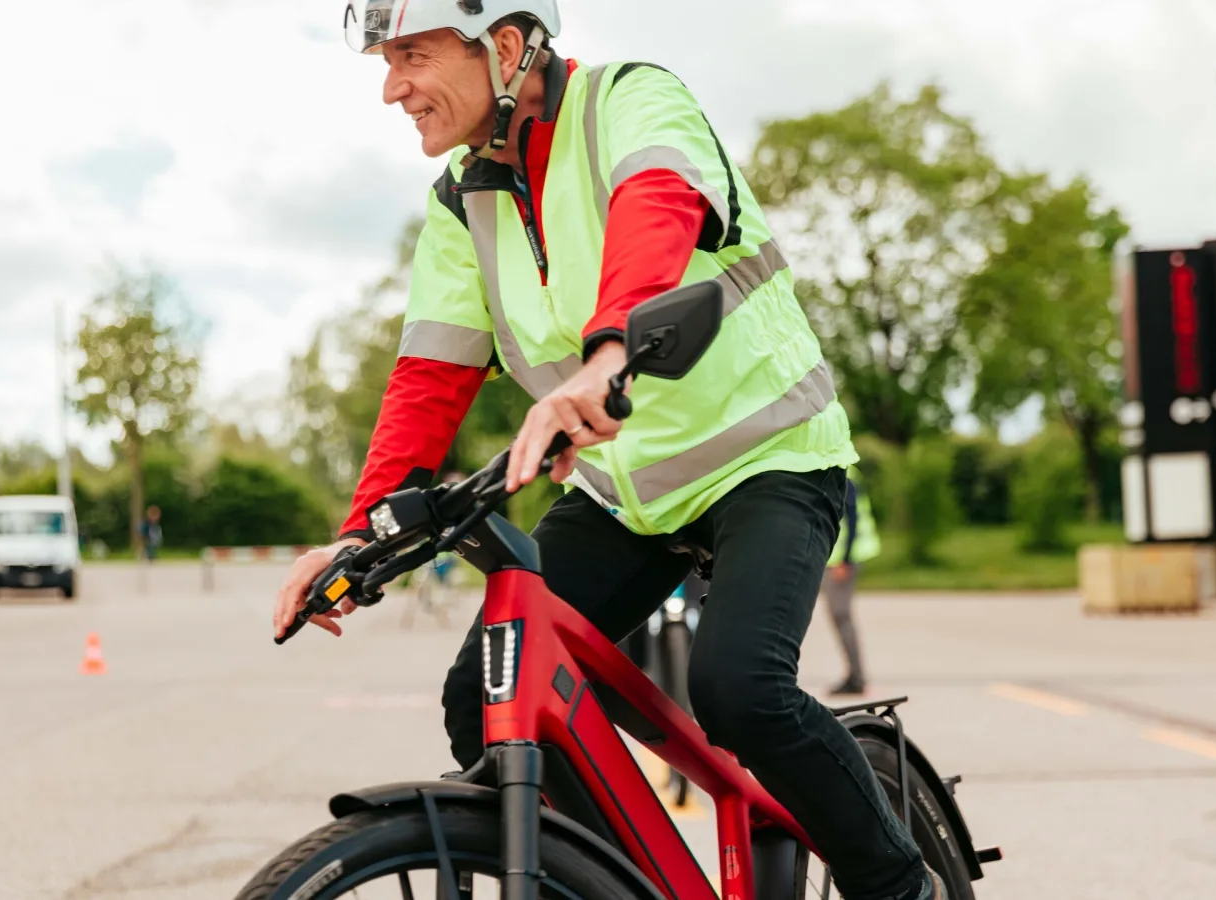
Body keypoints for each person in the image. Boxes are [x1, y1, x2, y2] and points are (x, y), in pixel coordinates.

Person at [274, 4, 942, 898]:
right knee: (482, 704)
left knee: (739, 689)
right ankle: (619, 883)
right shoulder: (461, 205)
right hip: (624, 496)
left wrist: (608, 359)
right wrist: (359, 538)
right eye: (385, 63)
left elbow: (655, 212)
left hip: (766, 459)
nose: (393, 88)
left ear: (504, 46)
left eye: (411, 56)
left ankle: (905, 887)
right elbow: (429, 378)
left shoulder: (631, 102)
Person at [825, 466, 882, 696]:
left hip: (843, 560)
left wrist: (846, 560)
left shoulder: (844, 473)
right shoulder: (844, 470)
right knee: (840, 616)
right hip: (838, 558)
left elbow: (852, 516)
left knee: (841, 614)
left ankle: (856, 677)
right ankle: (855, 675)